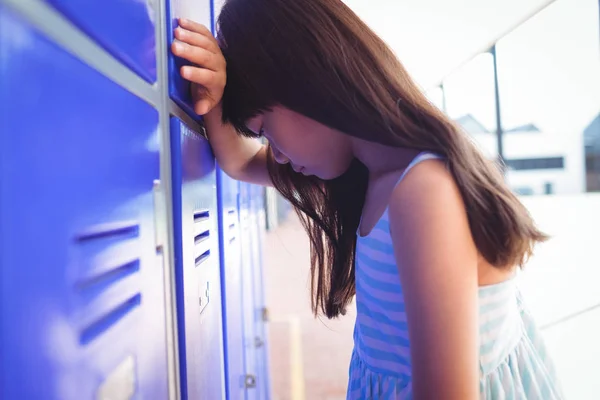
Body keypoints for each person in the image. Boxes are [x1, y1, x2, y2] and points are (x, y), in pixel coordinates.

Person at [171, 0, 564, 398]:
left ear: (306, 84)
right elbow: (240, 162)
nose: (278, 154)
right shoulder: (371, 176)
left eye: (266, 130)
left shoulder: (423, 190)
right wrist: (214, 97)